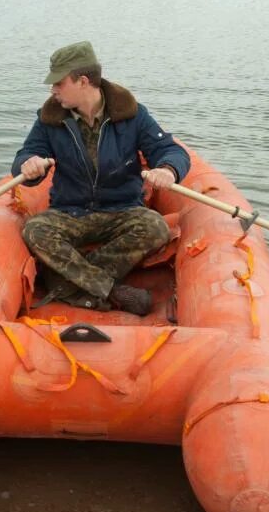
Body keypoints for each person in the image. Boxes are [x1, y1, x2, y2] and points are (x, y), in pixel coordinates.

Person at [12, 41, 190, 316]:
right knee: (35, 230)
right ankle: (110, 290)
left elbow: (169, 150)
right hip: (70, 212)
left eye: (59, 83)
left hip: (121, 209)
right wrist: (29, 164)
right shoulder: (50, 119)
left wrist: (167, 170)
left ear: (82, 81)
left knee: (155, 227)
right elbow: (26, 155)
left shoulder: (131, 115)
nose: (53, 90)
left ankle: (65, 283)